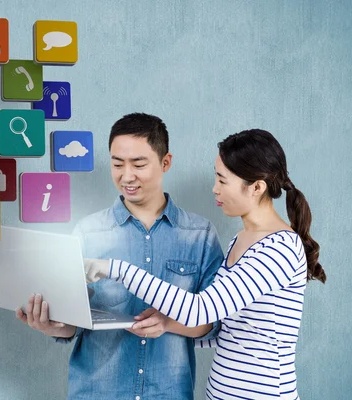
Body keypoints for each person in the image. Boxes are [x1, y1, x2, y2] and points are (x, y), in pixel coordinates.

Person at [84, 129, 327, 399]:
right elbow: (224, 327)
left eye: (223, 180)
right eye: (216, 176)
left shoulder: (279, 249)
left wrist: (116, 269)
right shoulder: (241, 240)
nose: (215, 188)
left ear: (257, 187)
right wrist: (166, 323)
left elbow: (200, 310)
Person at [15, 113, 225, 399]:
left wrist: (167, 323)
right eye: (117, 164)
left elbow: (214, 324)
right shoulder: (87, 232)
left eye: (138, 164)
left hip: (168, 393)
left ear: (166, 162)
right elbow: (73, 324)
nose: (127, 176)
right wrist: (51, 324)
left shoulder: (199, 235)